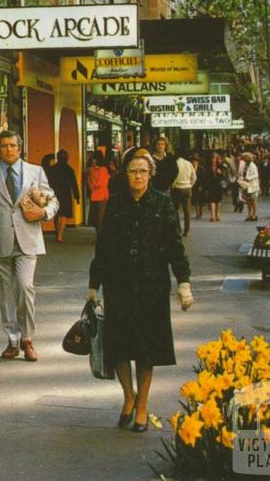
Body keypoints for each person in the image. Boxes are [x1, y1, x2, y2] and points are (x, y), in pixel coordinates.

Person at [87, 148, 194, 432]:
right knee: (119, 346)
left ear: (151, 174)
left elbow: (174, 244)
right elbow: (104, 246)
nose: (138, 176)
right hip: (118, 284)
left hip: (151, 285)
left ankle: (143, 404)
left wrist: (183, 282)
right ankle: (128, 397)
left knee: (146, 348)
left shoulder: (162, 203)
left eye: (143, 171)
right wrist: (92, 284)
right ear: (126, 174)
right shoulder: (116, 203)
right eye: (133, 171)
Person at [0, 130, 58, 362]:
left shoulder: (35, 171)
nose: (8, 150)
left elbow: (53, 200)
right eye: (4, 146)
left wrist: (44, 212)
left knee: (24, 286)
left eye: (12, 146)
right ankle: (12, 340)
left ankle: (27, 339)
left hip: (28, 240)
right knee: (6, 293)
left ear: (19, 148)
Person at [48, 149, 81, 243]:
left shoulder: (52, 169)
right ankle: (60, 235)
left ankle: (57, 231)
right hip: (65, 193)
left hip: (55, 192)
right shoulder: (69, 169)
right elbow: (74, 183)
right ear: (67, 158)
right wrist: (77, 196)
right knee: (63, 214)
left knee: (56, 213)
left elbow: (48, 182)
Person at [86, 151, 111, 230]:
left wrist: (92, 183)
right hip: (94, 195)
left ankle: (100, 235)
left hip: (102, 196)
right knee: (95, 218)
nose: (93, 161)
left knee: (100, 217)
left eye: (94, 160)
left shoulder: (103, 169)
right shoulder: (91, 170)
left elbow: (101, 183)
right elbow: (88, 182)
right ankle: (98, 234)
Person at [238, 152, 260, 221]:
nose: (243, 159)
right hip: (246, 185)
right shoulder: (244, 165)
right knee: (248, 200)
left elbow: (256, 175)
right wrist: (241, 178)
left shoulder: (253, 165)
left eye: (244, 158)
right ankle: (249, 214)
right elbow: (242, 173)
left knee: (253, 200)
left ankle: (254, 214)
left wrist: (249, 178)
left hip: (252, 185)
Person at [205, 151, 226, 222]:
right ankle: (212, 216)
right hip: (211, 185)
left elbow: (223, 176)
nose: (213, 159)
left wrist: (220, 173)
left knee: (218, 201)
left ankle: (217, 214)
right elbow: (206, 176)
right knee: (211, 200)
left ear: (217, 159)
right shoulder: (207, 166)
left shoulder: (220, 166)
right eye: (212, 158)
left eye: (215, 158)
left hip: (218, 185)